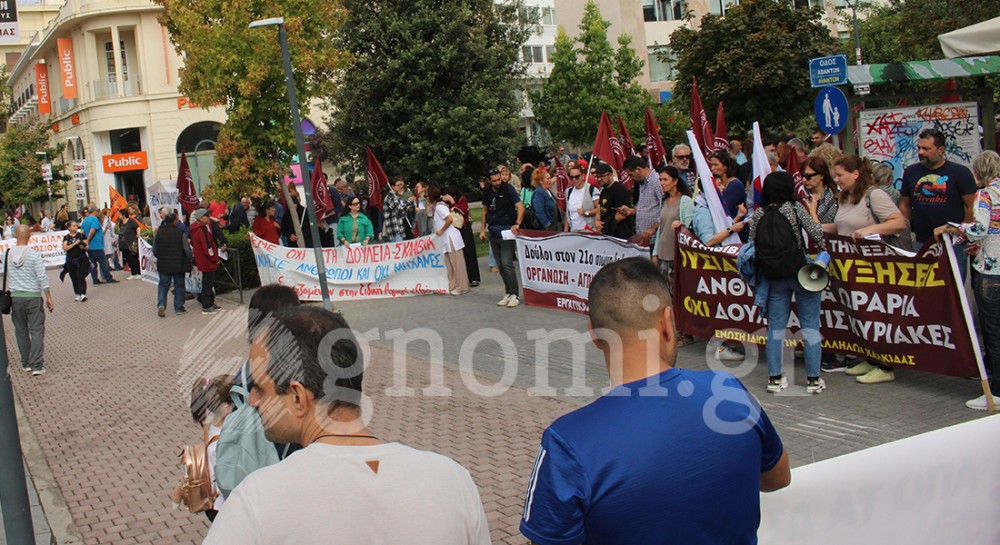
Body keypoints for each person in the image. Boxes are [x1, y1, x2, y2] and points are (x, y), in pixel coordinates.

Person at [520, 257, 790, 545]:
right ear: (667, 322)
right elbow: (778, 476)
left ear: (595, 334)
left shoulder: (568, 442)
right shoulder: (730, 390)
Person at [204, 306, 491, 544]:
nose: (253, 401)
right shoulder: (453, 482)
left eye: (261, 389)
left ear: (298, 397)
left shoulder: (257, 501)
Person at [823, 154, 907, 383]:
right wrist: (818, 227)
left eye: (840, 175)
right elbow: (843, 226)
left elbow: (898, 222)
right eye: (835, 176)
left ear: (855, 174)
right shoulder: (846, 197)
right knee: (860, 314)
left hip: (874, 266)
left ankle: (886, 365)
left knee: (877, 313)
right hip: (852, 267)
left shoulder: (875, 195)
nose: (837, 180)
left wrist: (870, 231)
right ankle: (871, 357)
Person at [748, 171, 826, 394]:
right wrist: (813, 212)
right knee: (810, 324)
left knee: (775, 328)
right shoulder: (794, 208)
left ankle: (774, 378)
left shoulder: (759, 214)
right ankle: (813, 380)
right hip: (801, 273)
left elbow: (751, 244)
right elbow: (817, 234)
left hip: (773, 276)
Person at [934, 151, 1000, 410]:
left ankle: (995, 391)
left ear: (978, 173)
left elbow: (980, 227)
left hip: (991, 272)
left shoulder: (985, 195)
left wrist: (954, 228)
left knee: (993, 333)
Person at [899, 128, 977, 276]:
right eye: (919, 148)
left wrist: (963, 233)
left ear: (941, 150)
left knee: (953, 289)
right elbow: (905, 204)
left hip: (953, 243)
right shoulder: (911, 172)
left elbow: (971, 206)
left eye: (926, 148)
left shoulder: (960, 173)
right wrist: (909, 232)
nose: (921, 152)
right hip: (921, 242)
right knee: (923, 289)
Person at [171, 375, 235, 522]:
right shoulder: (225, 440)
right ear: (227, 408)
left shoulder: (211, 428)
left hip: (212, 502)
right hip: (221, 505)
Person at [651, 165, 695, 347]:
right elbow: (661, 227)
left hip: (677, 255)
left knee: (678, 294)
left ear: (675, 181)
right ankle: (671, 330)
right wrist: (655, 252)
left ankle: (685, 333)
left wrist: (682, 224)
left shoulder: (684, 201)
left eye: (665, 179)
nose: (661, 183)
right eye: (660, 180)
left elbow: (690, 225)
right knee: (666, 295)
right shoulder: (664, 201)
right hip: (663, 252)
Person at [8, 225, 55, 376]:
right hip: (33, 296)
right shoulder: (34, 255)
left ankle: (26, 362)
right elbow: (42, 277)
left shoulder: (7, 255)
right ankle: (36, 364)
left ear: (15, 235)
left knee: (21, 330)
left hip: (16, 296)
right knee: (37, 330)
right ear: (30, 236)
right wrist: (48, 297)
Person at [481, 167, 524, 308]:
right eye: (494, 180)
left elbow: (520, 206)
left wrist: (517, 223)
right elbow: (484, 211)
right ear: (489, 181)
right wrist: (482, 229)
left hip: (507, 230)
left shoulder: (508, 189)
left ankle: (515, 293)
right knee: (499, 264)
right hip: (494, 230)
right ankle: (508, 291)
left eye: (499, 179)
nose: (498, 182)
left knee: (507, 263)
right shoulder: (487, 192)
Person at [428, 184, 468, 295]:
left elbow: (449, 219)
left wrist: (441, 230)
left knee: (456, 263)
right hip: (446, 239)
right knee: (450, 264)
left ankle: (461, 285)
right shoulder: (438, 206)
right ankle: (453, 284)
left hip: (451, 238)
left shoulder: (440, 207)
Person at [153, 212, 191, 317]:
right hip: (178, 264)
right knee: (179, 286)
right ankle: (179, 308)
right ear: (175, 221)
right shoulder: (180, 232)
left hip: (163, 264)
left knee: (163, 285)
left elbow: (154, 249)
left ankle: (161, 304)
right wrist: (190, 259)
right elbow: (187, 249)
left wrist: (159, 256)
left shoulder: (159, 232)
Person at [621, 155, 665, 246]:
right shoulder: (642, 183)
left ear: (638, 169)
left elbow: (665, 207)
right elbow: (645, 205)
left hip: (654, 238)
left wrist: (653, 229)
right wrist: (631, 211)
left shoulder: (656, 181)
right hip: (642, 238)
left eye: (631, 175)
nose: (631, 178)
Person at [442, 186, 481, 287]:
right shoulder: (444, 204)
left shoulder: (461, 199)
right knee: (457, 254)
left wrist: (453, 203)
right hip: (453, 230)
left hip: (464, 228)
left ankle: (473, 277)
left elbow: (463, 211)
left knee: (469, 252)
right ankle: (459, 278)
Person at [190, 208, 222, 315]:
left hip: (203, 260)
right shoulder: (202, 230)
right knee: (208, 283)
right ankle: (207, 305)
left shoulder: (196, 229)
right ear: (200, 218)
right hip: (207, 261)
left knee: (207, 282)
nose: (209, 218)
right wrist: (215, 258)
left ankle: (210, 303)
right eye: (206, 216)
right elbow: (207, 247)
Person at [593, 162, 632, 239]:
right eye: (597, 177)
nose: (599, 179)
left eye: (602, 176)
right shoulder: (603, 190)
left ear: (610, 175)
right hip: (606, 235)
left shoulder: (619, 189)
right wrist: (596, 222)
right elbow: (599, 208)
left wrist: (604, 226)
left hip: (619, 234)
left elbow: (622, 214)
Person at [81, 205, 116, 285]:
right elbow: (93, 230)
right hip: (96, 245)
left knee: (93, 263)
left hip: (89, 246)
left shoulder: (85, 220)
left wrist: (85, 241)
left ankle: (95, 280)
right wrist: (88, 240)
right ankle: (108, 278)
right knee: (103, 262)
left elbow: (82, 232)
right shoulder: (95, 219)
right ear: (94, 211)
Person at [800, 156, 840, 224]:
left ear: (821, 175)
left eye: (808, 176)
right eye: (802, 176)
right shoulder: (800, 195)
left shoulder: (835, 196)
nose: (804, 180)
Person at [709, 150, 745, 220]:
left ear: (725, 167)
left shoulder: (735, 185)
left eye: (715, 165)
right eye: (711, 165)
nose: (712, 168)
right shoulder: (719, 183)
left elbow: (723, 209)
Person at [563, 164, 600, 233]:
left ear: (582, 176)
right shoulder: (569, 191)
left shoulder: (591, 189)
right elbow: (567, 214)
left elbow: (600, 208)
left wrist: (586, 212)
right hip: (573, 230)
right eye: (571, 177)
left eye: (577, 177)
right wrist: (565, 232)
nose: (574, 179)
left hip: (588, 230)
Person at [60, 221, 90, 302]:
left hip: (81, 259)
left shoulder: (81, 235)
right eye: (74, 226)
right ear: (69, 228)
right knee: (74, 277)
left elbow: (87, 246)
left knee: (80, 276)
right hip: (71, 260)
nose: (76, 227)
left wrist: (83, 247)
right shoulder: (66, 237)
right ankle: (77, 293)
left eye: (76, 226)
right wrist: (74, 244)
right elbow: (65, 248)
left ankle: (83, 293)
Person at [382, 177, 415, 243]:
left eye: (401, 185)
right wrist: (408, 201)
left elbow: (401, 209)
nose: (400, 187)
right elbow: (400, 210)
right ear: (393, 187)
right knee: (399, 250)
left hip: (399, 228)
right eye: (398, 185)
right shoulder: (391, 197)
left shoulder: (395, 197)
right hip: (395, 229)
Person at [118, 207, 142, 279]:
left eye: (120, 214)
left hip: (131, 243)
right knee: (128, 258)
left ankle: (138, 272)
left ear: (123, 215)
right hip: (123, 244)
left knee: (133, 258)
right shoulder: (121, 223)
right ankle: (133, 273)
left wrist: (138, 234)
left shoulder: (131, 221)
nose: (119, 216)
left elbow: (138, 227)